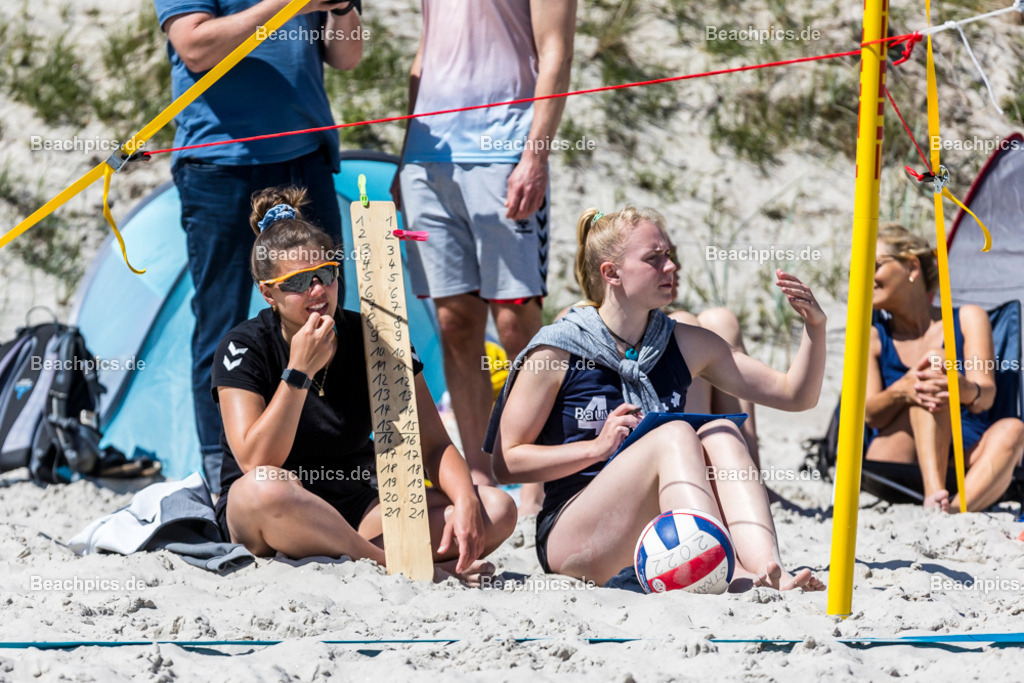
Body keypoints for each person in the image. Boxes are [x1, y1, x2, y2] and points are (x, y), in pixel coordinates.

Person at [488, 207, 826, 590]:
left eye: (669, 255)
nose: (671, 267)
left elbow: (794, 395)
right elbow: (506, 463)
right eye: (654, 258)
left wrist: (815, 328)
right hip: (574, 538)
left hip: (651, 533)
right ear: (612, 273)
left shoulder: (681, 341)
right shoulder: (558, 349)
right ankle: (720, 566)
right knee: (674, 434)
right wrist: (595, 449)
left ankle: (768, 569)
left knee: (721, 432)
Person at [211, 187, 516, 582]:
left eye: (326, 274)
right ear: (268, 292)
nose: (317, 290)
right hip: (272, 511)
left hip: (358, 507)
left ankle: (368, 555)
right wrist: (299, 372)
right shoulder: (244, 345)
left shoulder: (374, 336)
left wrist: (465, 500)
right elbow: (255, 461)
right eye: (297, 282)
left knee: (496, 508)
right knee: (264, 487)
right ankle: (396, 566)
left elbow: (434, 445)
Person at [154, 0, 363, 485]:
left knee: (327, 315)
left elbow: (348, 56)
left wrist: (342, 8)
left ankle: (335, 463)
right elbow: (195, 46)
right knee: (220, 320)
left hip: (304, 156)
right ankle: (222, 474)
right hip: (218, 162)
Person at [394, 0, 577, 517]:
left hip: (505, 147)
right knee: (454, 323)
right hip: (430, 157)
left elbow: (557, 52)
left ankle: (536, 473)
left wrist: (535, 155)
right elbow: (425, 53)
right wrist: (407, 153)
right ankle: (479, 471)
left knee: (516, 324)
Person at [864, 223, 1024, 512]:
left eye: (872, 266)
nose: (862, 278)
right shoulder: (873, 338)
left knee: (1014, 430)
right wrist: (904, 389)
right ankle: (935, 491)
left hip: (964, 451)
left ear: (912, 267)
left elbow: (986, 396)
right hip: (899, 457)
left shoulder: (967, 319)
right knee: (932, 368)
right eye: (855, 273)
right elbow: (870, 415)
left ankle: (950, 510)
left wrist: (960, 387)